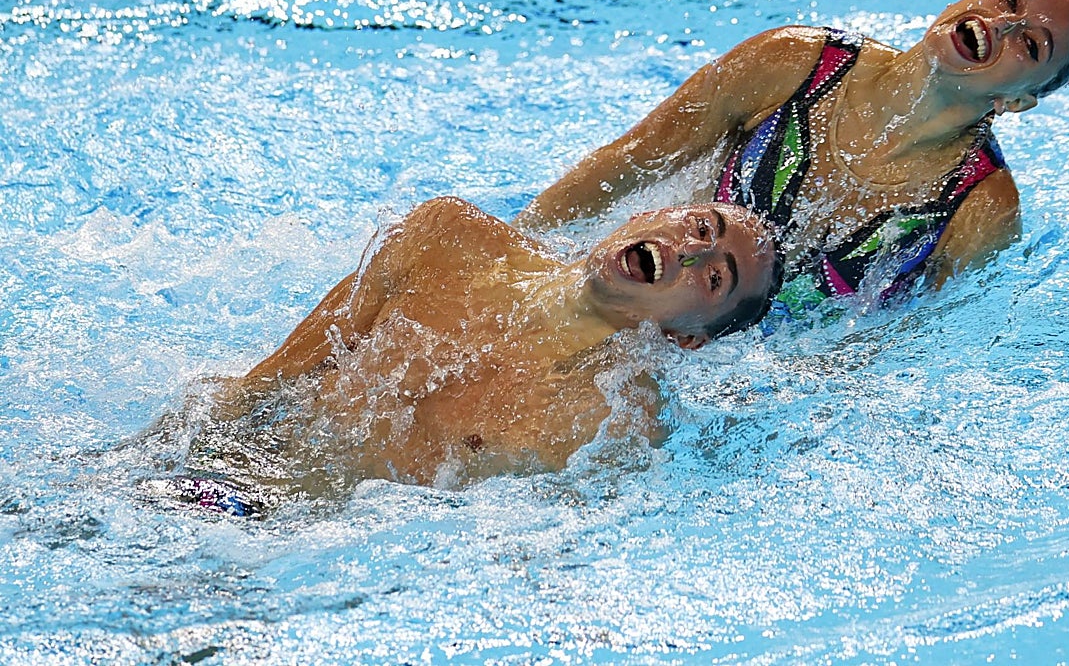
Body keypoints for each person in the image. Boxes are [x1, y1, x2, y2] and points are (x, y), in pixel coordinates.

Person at [150, 197, 781, 513]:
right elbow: (267, 383)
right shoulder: (445, 238)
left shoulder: (613, 421)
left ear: (685, 336)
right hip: (208, 477)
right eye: (701, 228)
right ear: (657, 212)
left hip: (293, 555)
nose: (691, 253)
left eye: (715, 277)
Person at [516, 0, 1069, 313]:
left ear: (1018, 101)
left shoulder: (981, 208)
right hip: (656, 297)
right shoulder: (794, 61)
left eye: (1032, 46)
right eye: (1009, 1)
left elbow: (915, 343)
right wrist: (519, 246)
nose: (1003, 25)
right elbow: (634, 159)